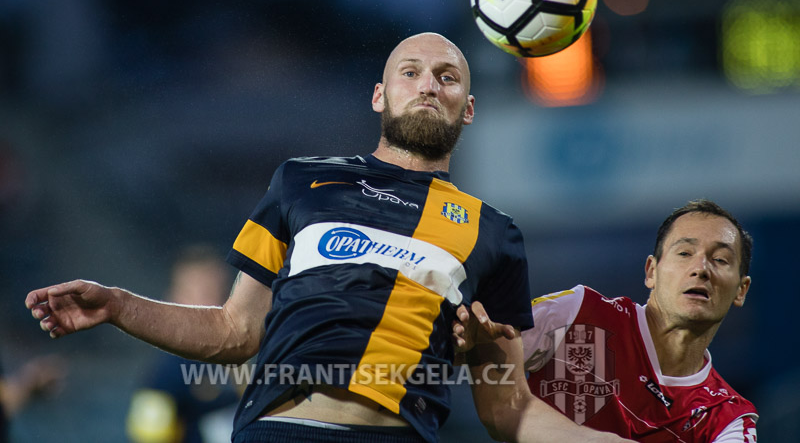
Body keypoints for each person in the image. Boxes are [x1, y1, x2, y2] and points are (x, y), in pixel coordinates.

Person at [26, 33, 630, 443]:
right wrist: (118, 305)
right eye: (410, 72)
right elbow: (235, 331)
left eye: (446, 77)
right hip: (280, 431)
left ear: (467, 108)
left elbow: (508, 408)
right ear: (380, 95)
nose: (428, 84)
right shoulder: (300, 181)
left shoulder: (494, 231)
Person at [519, 200, 758, 441]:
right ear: (651, 271)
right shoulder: (577, 313)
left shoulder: (729, 420)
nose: (701, 269)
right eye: (685, 253)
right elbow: (496, 375)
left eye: (720, 259)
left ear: (741, 290)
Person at [126, 244, 240, 443]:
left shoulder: (254, 355)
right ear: (172, 301)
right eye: (202, 293)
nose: (212, 303)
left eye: (221, 292)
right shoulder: (165, 374)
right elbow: (149, 436)